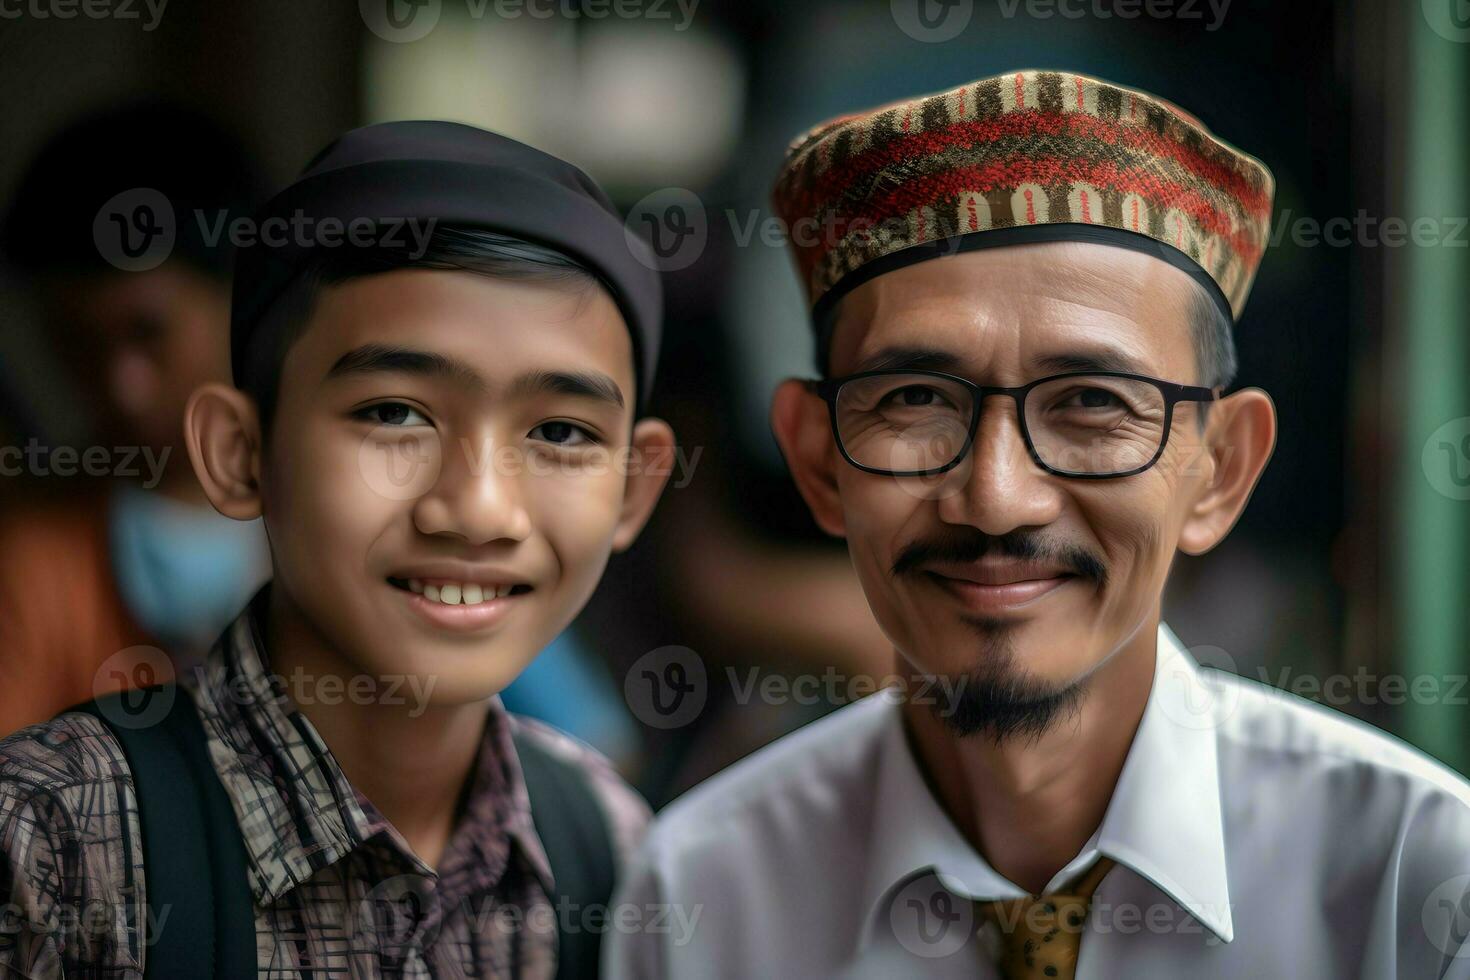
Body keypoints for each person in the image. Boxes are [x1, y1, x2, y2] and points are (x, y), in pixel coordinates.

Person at [605, 69, 1470, 978]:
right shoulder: (705, 893)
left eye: (1094, 403)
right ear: (819, 461)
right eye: (914, 400)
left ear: (1219, 471)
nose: (996, 497)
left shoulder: (1413, 885)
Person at [0, 120, 675, 976]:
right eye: (394, 413)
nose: (478, 509)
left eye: (560, 430)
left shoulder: (607, 849)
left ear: (635, 486)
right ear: (242, 455)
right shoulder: (51, 849)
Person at [0, 102, 273, 733]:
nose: (122, 385)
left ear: (245, 297)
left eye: (149, 332)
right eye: (77, 343)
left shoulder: (354, 512)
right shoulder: (35, 553)